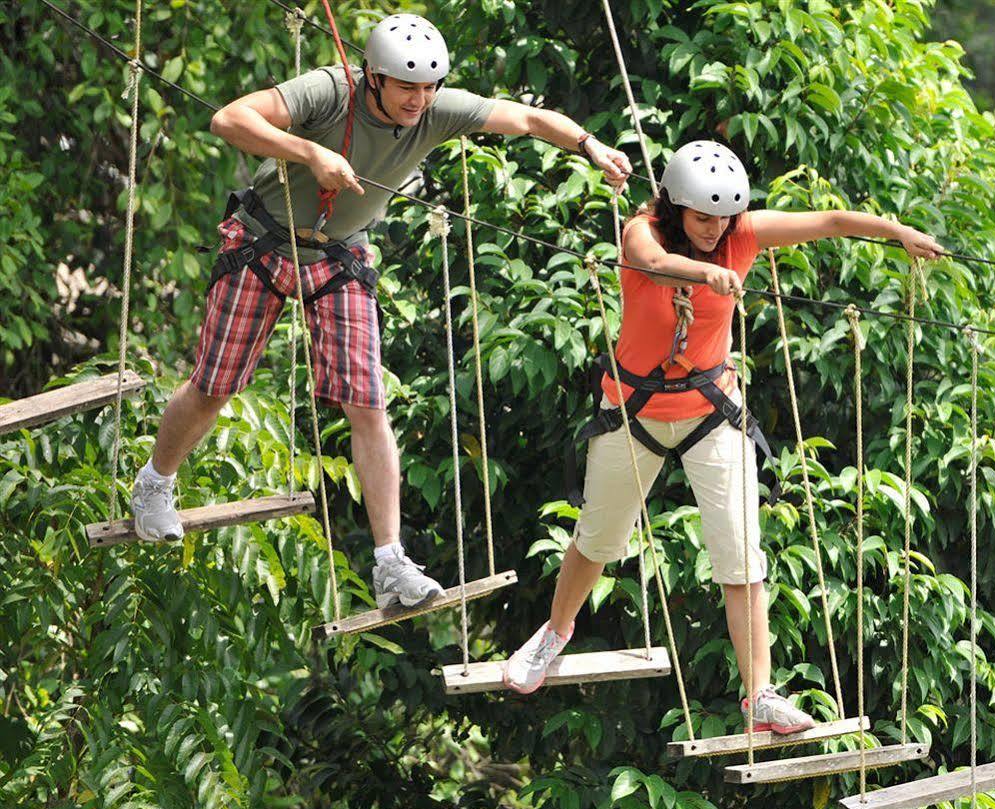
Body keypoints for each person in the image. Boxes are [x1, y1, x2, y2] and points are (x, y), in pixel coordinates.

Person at [127, 13, 635, 613]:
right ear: (373, 77)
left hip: (339, 256)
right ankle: (154, 485)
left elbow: (525, 118)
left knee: (367, 404)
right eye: (406, 88)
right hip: (262, 241)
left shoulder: (439, 109)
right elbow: (227, 118)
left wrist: (588, 145)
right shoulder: (329, 89)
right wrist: (309, 152)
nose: (420, 100)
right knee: (215, 387)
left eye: (429, 88)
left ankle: (391, 562)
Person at [500, 140, 944, 736]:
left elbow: (832, 222)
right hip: (634, 409)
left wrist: (898, 232)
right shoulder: (641, 230)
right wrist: (705, 271)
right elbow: (654, 265)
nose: (714, 230)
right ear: (675, 206)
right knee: (598, 541)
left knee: (742, 557)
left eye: (724, 218)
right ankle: (554, 634)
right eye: (703, 217)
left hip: (712, 408)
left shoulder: (743, 235)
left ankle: (759, 693)